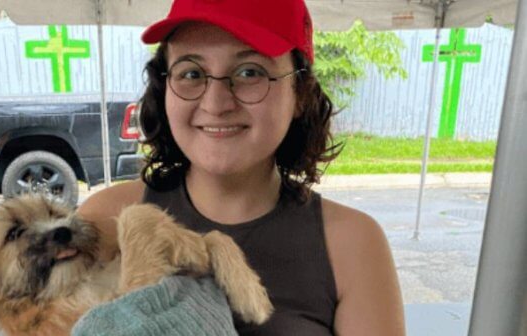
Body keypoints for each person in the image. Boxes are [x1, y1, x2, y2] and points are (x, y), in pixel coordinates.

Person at [77, 0, 405, 335]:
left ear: (300, 93)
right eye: (191, 73)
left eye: (250, 72)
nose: (216, 103)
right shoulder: (106, 219)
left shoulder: (352, 244)